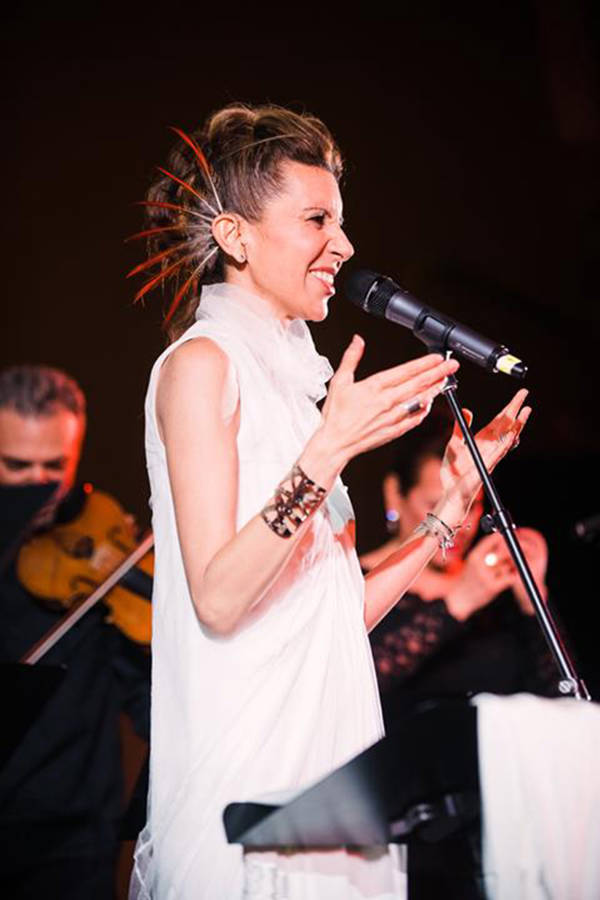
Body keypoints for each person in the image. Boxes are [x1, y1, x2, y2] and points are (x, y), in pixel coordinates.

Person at [129, 103, 529, 899]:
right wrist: (329, 449)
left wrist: (448, 509)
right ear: (238, 237)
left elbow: (330, 617)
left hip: (337, 785)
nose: (342, 248)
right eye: (316, 219)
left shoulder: (294, 385)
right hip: (253, 793)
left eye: (340, 222)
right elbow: (217, 595)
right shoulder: (203, 365)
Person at [0, 364, 150, 900]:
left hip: (78, 824)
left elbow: (140, 685)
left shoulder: (101, 532)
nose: (40, 486)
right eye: (17, 466)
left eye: (55, 467)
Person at [362, 405, 556, 721]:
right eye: (437, 504)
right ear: (395, 494)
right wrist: (459, 601)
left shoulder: (493, 585)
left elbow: (558, 698)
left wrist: (533, 601)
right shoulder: (352, 580)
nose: (459, 523)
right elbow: (351, 684)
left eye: (472, 505)